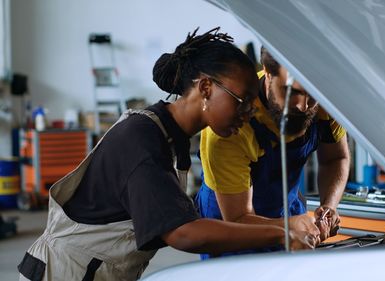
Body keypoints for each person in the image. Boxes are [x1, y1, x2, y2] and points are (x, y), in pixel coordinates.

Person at [18, 28, 315, 281]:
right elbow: (184, 234)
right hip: (65, 273)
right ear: (206, 87)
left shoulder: (169, 136)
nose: (248, 113)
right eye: (242, 101)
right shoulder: (143, 140)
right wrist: (284, 232)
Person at [196, 47, 350, 259]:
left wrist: (329, 206)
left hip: (285, 207)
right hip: (230, 218)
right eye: (292, 92)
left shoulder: (326, 105)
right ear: (268, 72)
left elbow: (336, 158)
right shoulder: (230, 125)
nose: (304, 106)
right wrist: (289, 226)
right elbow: (238, 218)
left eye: (313, 95)